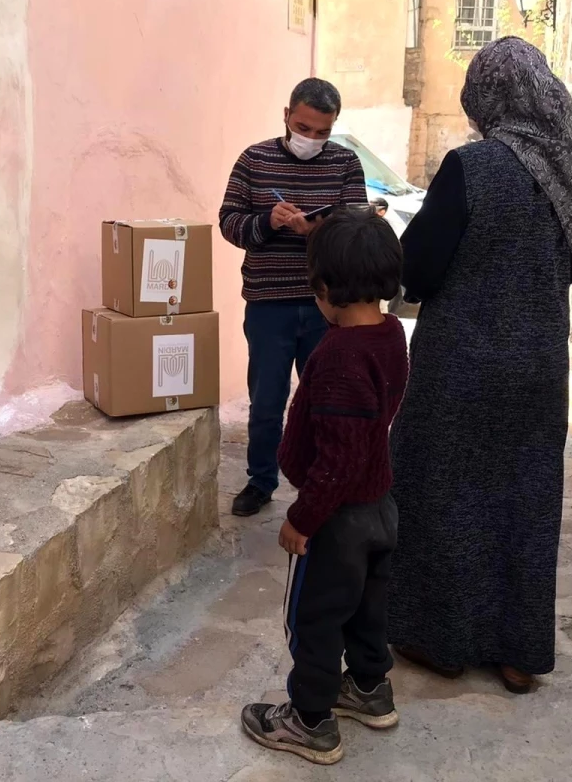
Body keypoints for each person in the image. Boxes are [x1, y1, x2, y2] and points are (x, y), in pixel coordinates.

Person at [387, 37, 572, 694]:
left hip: (461, 360)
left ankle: (444, 642)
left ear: (490, 97)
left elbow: (419, 269)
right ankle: (518, 654)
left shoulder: (472, 166)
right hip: (537, 362)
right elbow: (569, 265)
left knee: (442, 491)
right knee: (525, 500)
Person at [240, 208, 408, 765]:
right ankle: (368, 688)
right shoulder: (390, 336)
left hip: (339, 519)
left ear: (325, 288)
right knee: (366, 609)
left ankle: (310, 720)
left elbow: (337, 458)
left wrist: (302, 519)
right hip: (380, 506)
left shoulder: (338, 354)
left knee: (314, 618)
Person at [218, 79, 368, 518]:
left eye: (323, 132)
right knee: (267, 401)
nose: (312, 139)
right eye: (304, 127)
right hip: (268, 304)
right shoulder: (254, 159)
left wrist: (316, 231)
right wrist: (267, 221)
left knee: (326, 402)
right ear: (286, 115)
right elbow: (229, 223)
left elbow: (357, 230)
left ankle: (323, 486)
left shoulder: (345, 163)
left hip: (328, 306)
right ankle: (260, 481)